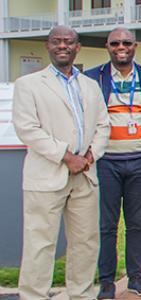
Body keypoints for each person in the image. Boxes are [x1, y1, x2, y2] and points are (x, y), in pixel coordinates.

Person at [12, 25, 110, 300]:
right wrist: (67, 157)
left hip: (85, 176)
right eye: (57, 41)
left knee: (86, 242)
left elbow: (103, 125)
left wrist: (89, 157)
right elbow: (27, 129)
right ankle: (34, 295)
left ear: (78, 47)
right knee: (39, 243)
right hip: (47, 174)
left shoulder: (89, 86)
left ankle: (81, 294)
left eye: (69, 42)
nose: (63, 46)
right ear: (48, 46)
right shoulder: (29, 84)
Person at [83, 27, 141, 299]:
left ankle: (136, 277)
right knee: (107, 225)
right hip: (106, 162)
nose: (121, 47)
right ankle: (106, 281)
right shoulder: (93, 78)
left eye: (126, 42)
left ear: (135, 46)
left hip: (140, 160)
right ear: (107, 46)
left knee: (137, 223)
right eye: (115, 43)